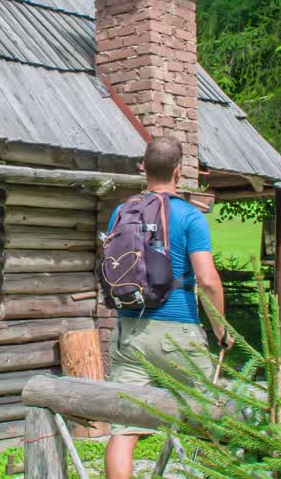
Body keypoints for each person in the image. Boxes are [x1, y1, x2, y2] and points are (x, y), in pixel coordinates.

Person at [104, 136, 231, 479]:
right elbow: (208, 280)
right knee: (217, 417)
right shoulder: (191, 217)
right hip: (179, 334)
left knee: (123, 430)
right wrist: (221, 330)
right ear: (178, 171)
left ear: (143, 167)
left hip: (129, 333)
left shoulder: (122, 211)